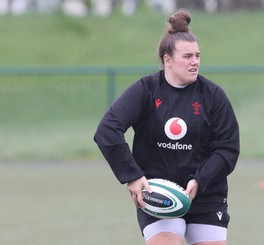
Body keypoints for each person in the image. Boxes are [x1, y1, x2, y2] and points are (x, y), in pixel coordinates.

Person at [94, 9, 240, 245]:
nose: (195, 62)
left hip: (206, 194)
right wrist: (132, 176)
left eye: (198, 56)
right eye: (187, 56)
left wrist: (200, 180)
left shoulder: (213, 95)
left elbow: (228, 149)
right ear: (167, 60)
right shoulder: (145, 90)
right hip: (159, 197)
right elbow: (107, 130)